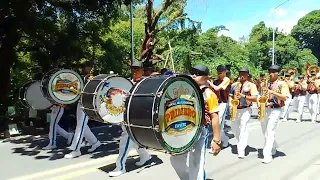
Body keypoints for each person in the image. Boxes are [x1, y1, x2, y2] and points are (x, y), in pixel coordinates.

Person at [170, 64, 221, 180]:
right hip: (184, 130)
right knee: (175, 160)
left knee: (196, 164)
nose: (194, 75)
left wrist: (217, 140)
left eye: (198, 73)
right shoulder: (186, 89)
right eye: (193, 72)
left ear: (206, 77)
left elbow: (214, 117)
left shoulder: (209, 94)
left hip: (200, 131)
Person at [108, 61, 151, 177]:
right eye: (133, 69)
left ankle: (120, 167)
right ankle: (145, 156)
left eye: (137, 69)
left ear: (142, 71)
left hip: (135, 117)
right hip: (124, 115)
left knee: (125, 140)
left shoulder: (145, 83)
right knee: (135, 139)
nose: (134, 71)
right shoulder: (126, 82)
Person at [64, 62, 102, 159]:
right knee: (82, 125)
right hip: (80, 103)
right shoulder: (81, 78)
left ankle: (76, 149)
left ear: (91, 68)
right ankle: (95, 142)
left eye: (87, 66)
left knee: (80, 126)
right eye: (84, 66)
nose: (85, 68)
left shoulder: (90, 78)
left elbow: (92, 92)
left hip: (86, 104)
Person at [260, 65, 290, 164]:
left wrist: (272, 92)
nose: (271, 73)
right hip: (265, 108)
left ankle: (267, 155)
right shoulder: (265, 83)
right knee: (265, 132)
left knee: (270, 130)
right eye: (270, 71)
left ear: (278, 73)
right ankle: (273, 145)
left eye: (273, 71)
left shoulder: (282, 84)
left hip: (276, 109)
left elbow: (285, 97)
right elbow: (261, 95)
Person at [229, 68, 258, 159]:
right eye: (241, 73)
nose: (242, 75)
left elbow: (255, 98)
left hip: (245, 109)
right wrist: (230, 105)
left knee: (243, 128)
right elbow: (230, 96)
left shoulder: (251, 85)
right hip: (235, 109)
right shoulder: (234, 85)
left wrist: (243, 96)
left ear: (248, 75)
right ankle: (240, 142)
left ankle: (241, 150)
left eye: (244, 73)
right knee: (234, 128)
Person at [207, 65, 230, 149]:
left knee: (218, 123)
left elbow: (217, 89)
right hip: (216, 103)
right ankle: (225, 139)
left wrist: (210, 82)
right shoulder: (217, 80)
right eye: (218, 72)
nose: (219, 73)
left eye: (221, 72)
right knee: (219, 125)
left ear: (225, 72)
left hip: (223, 103)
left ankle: (216, 143)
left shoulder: (226, 79)